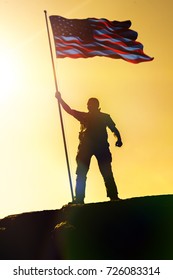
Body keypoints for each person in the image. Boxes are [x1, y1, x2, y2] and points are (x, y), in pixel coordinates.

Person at [55, 91, 123, 204]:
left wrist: (119, 139)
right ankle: (80, 198)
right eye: (88, 104)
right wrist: (60, 99)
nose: (88, 106)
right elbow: (69, 110)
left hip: (99, 147)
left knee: (105, 172)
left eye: (90, 104)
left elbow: (114, 129)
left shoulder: (102, 117)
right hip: (87, 148)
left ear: (95, 106)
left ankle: (113, 196)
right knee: (82, 173)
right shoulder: (85, 116)